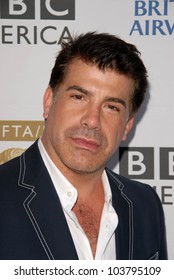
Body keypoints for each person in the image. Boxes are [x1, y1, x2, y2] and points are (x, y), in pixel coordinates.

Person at [0, 32, 167, 260]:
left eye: (111, 107)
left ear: (127, 125)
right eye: (79, 97)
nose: (92, 120)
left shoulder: (145, 204)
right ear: (49, 101)